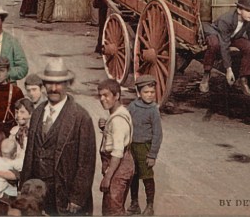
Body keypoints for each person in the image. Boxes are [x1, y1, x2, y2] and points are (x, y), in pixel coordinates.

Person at [20, 58, 96, 216]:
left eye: (59, 83)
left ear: (67, 84)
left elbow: (86, 163)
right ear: (44, 85)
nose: (54, 88)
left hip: (64, 193)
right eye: (49, 83)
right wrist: (24, 187)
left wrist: (77, 197)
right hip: (38, 191)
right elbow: (29, 154)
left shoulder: (81, 117)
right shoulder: (38, 112)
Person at [199, 0, 250, 99]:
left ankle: (243, 79)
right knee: (214, 45)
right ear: (239, 10)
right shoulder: (226, 20)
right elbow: (224, 44)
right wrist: (228, 69)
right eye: (248, 11)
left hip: (233, 36)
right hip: (218, 34)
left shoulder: (248, 20)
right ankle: (206, 75)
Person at [96, 78, 134, 216]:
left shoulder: (117, 120)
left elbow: (117, 152)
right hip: (124, 164)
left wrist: (107, 177)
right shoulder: (120, 113)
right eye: (100, 95)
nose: (102, 99)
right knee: (114, 208)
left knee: (113, 211)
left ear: (117, 95)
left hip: (118, 166)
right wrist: (106, 126)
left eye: (106, 95)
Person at [127, 75, 162, 216]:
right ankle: (134, 203)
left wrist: (152, 154)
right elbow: (124, 122)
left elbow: (158, 134)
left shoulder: (153, 110)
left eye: (152, 92)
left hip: (144, 148)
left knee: (147, 177)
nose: (149, 95)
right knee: (132, 176)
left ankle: (149, 205)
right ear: (139, 93)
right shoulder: (132, 106)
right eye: (146, 92)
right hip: (131, 148)